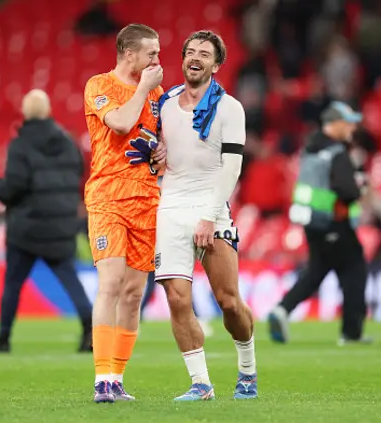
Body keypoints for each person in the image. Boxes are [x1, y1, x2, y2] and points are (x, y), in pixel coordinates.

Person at [156, 30, 257, 401]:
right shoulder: (165, 103)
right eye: (191, 52)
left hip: (211, 207)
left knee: (228, 301)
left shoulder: (230, 108)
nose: (195, 57)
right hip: (170, 206)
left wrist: (211, 216)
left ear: (216, 65)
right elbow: (161, 149)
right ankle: (201, 384)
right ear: (182, 59)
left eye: (204, 54)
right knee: (177, 297)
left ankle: (247, 369)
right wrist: (157, 155)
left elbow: (231, 168)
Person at [83, 23, 166, 403]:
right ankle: (101, 379)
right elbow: (120, 123)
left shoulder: (159, 94)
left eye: (158, 53)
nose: (157, 61)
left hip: (146, 199)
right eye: (151, 53)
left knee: (134, 294)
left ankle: (117, 377)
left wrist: (164, 153)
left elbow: (158, 142)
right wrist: (144, 89)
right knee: (111, 284)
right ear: (128, 54)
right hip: (107, 198)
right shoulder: (99, 86)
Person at [0, 89, 93, 354]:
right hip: (60, 225)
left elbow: (15, 184)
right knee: (70, 280)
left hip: (27, 228)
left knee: (13, 284)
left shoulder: (21, 143)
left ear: (26, 112)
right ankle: (90, 330)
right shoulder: (67, 143)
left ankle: (3, 337)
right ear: (48, 110)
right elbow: (78, 174)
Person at [268, 101, 371, 346]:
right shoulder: (337, 153)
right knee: (354, 270)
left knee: (316, 271)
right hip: (335, 222)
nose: (352, 127)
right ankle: (351, 333)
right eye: (347, 123)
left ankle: (282, 309)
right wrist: (360, 185)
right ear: (333, 124)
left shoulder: (310, 149)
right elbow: (346, 191)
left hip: (312, 222)